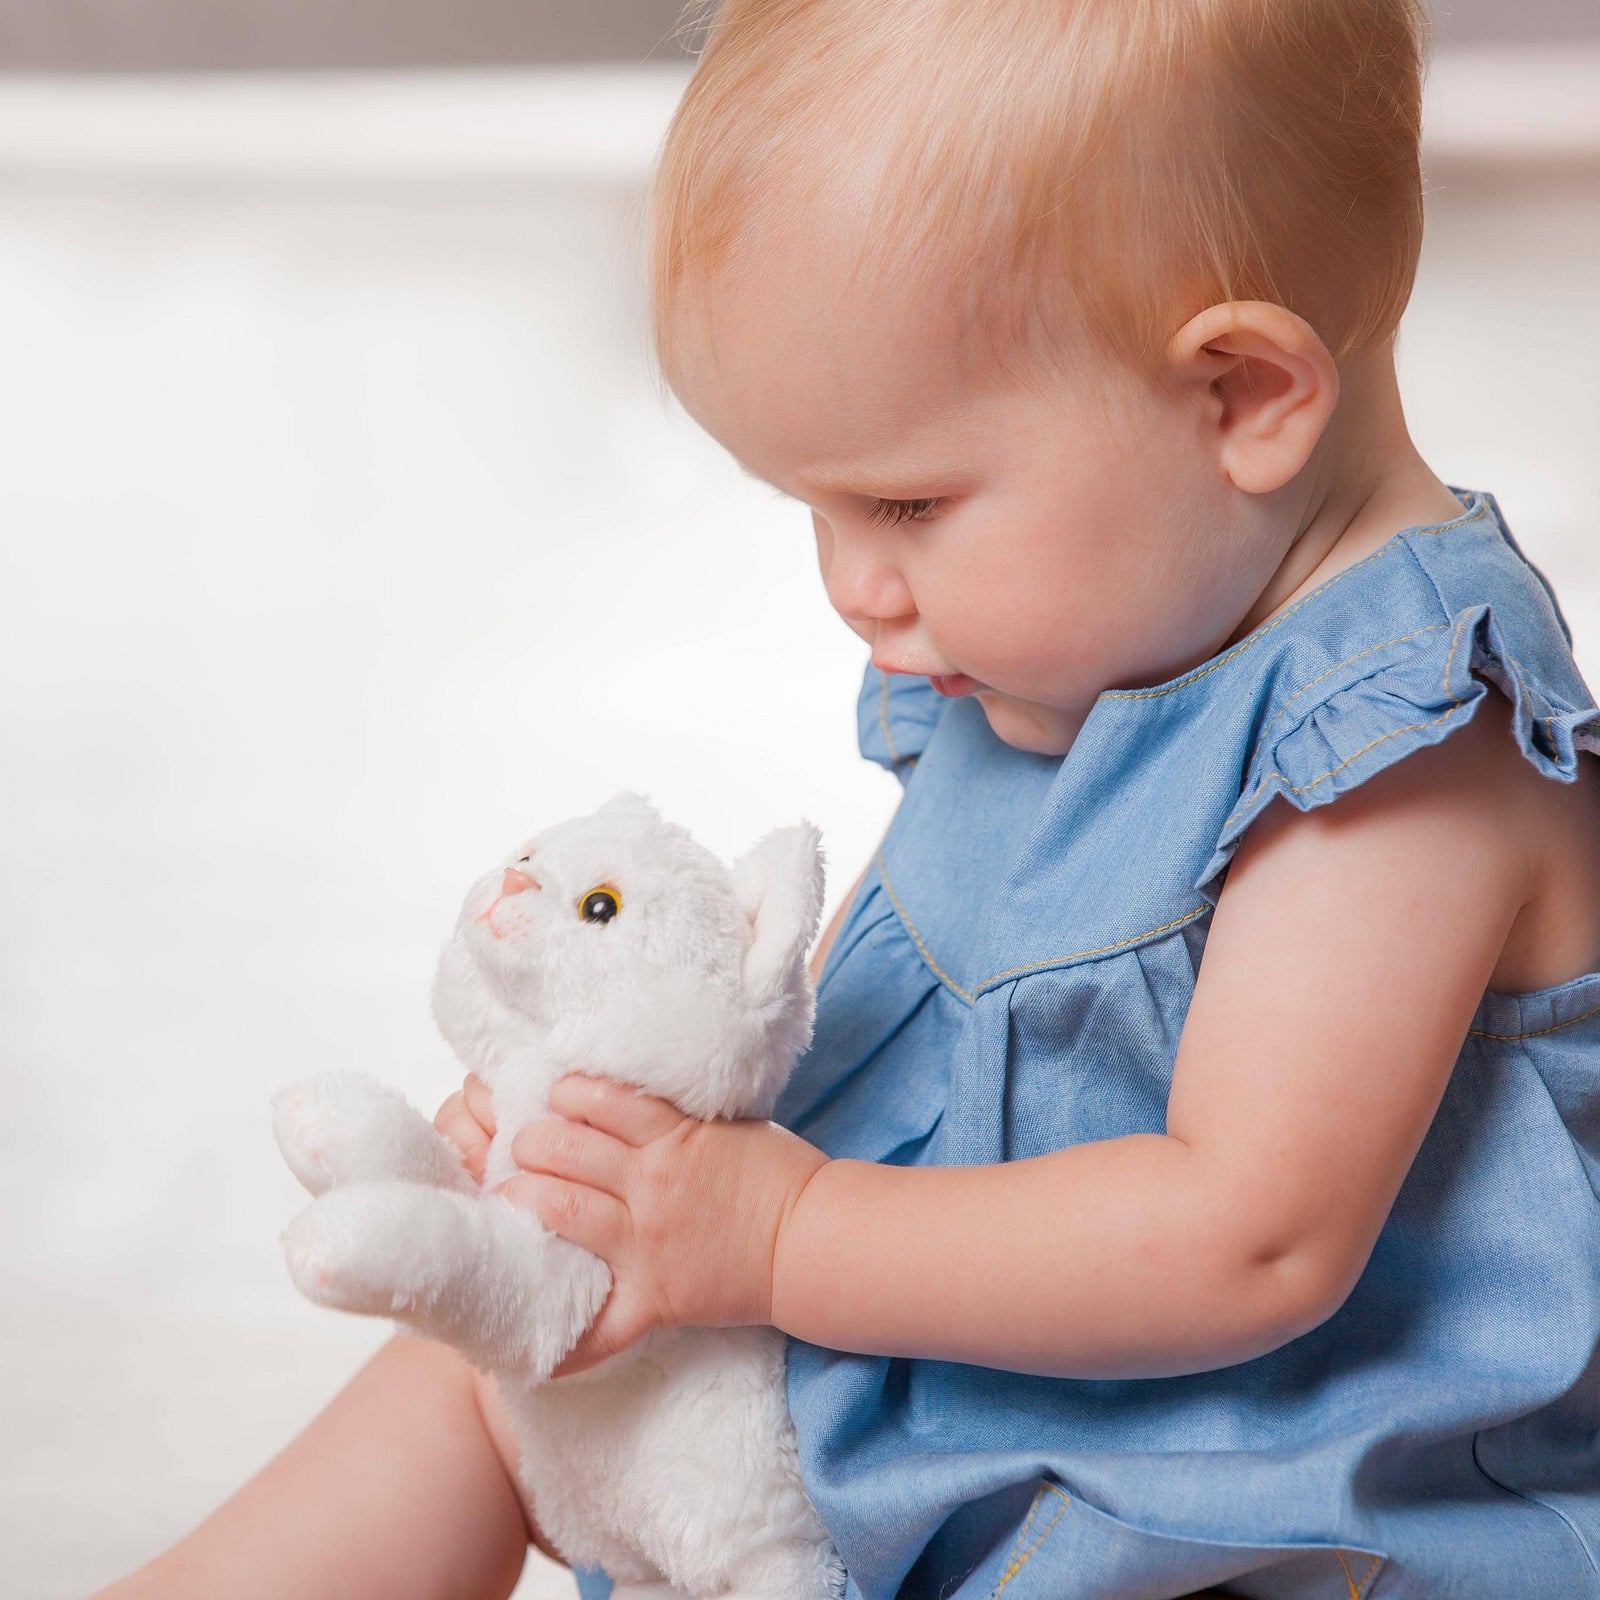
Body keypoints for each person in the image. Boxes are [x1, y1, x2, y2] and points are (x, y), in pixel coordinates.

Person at [97, 1, 1600, 1597]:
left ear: (1240, 395)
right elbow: (887, 1046)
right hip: (944, 1403)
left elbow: (1248, 1239)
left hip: (1231, 1521)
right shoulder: (1057, 650)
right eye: (810, 509)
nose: (851, 587)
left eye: (906, 502)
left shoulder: (1399, 745)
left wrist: (775, 1234)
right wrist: (618, 1158)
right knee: (489, 1373)